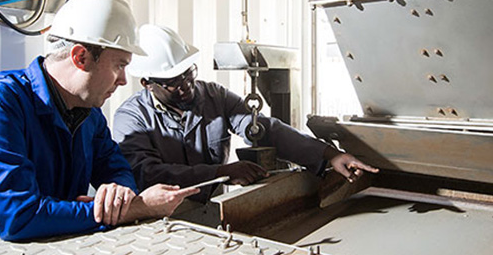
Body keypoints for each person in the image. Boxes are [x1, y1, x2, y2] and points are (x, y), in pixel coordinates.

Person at [0, 0, 198, 242]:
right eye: (119, 65)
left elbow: (115, 168)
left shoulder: (89, 114)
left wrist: (118, 193)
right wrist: (136, 208)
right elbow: (19, 216)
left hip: (39, 250)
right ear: (81, 57)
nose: (123, 80)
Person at [112, 24, 378, 201]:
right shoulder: (132, 118)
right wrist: (221, 172)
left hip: (214, 206)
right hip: (162, 220)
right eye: (173, 82)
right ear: (147, 83)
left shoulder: (213, 96)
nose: (186, 86)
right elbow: (148, 173)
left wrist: (328, 154)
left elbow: (263, 129)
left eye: (189, 73)